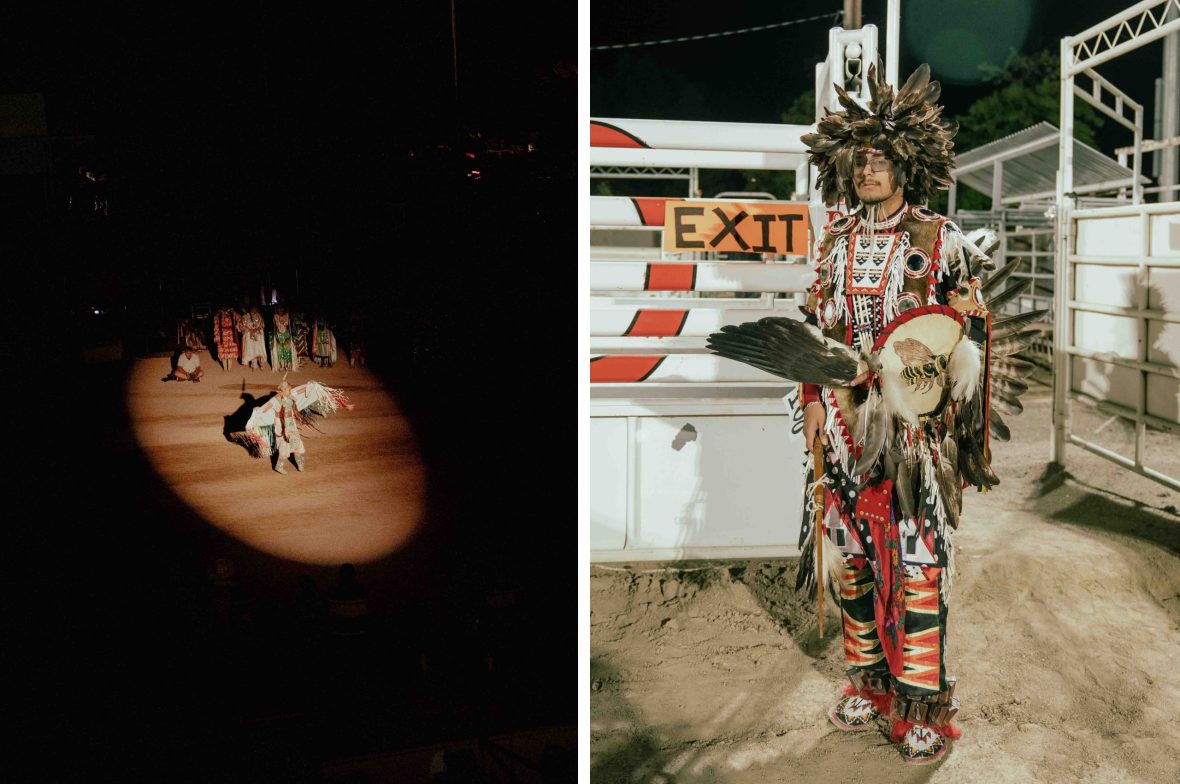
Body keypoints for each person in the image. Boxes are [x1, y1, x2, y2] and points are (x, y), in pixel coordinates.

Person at [707, 64, 1040, 764]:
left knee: (917, 563)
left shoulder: (939, 236)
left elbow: (971, 328)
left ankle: (921, 704)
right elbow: (814, 326)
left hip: (914, 435)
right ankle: (869, 682)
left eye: (881, 158)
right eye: (859, 158)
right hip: (841, 422)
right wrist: (816, 396)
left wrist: (945, 376)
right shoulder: (833, 241)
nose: (868, 169)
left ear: (907, 164)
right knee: (851, 561)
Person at [232, 376, 353, 474]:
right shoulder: (275, 401)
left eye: (289, 389)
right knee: (284, 450)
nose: (290, 391)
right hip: (281, 428)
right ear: (282, 391)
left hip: (291, 426)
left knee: (297, 446)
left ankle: (300, 465)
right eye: (287, 389)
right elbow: (265, 409)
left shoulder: (291, 396)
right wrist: (257, 412)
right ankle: (279, 467)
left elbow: (301, 390)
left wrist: (311, 386)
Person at [239, 304, 268, 370]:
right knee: (252, 349)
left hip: (258, 335)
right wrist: (250, 330)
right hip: (250, 335)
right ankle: (254, 364)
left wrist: (256, 329)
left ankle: (262, 364)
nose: (254, 309)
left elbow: (262, 324)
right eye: (252, 308)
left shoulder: (259, 315)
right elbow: (243, 325)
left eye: (255, 308)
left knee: (259, 349)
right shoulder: (245, 316)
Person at [270, 305, 298, 372]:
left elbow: (287, 324)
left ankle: (287, 365)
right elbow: (275, 325)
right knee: (279, 350)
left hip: (286, 334)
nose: (280, 310)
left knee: (287, 349)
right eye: (279, 309)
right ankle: (281, 365)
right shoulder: (275, 316)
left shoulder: (287, 316)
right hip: (278, 335)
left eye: (282, 308)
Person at [212, 305, 240, 371]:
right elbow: (216, 327)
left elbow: (239, 319)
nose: (225, 308)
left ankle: (229, 368)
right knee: (223, 352)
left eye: (226, 306)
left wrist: (237, 326)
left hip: (231, 336)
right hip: (222, 336)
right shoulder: (218, 316)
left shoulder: (232, 313)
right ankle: (225, 368)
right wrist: (216, 336)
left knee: (230, 352)